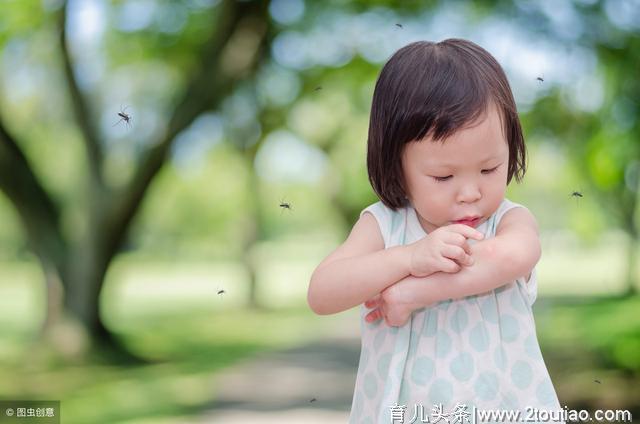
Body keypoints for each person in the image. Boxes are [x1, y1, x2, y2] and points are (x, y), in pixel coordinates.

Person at [307, 39, 564, 423]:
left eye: (489, 168)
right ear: (397, 166)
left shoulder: (507, 222)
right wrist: (409, 257)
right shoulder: (385, 225)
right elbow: (321, 293)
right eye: (444, 176)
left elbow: (516, 256)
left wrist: (415, 292)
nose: (470, 193)